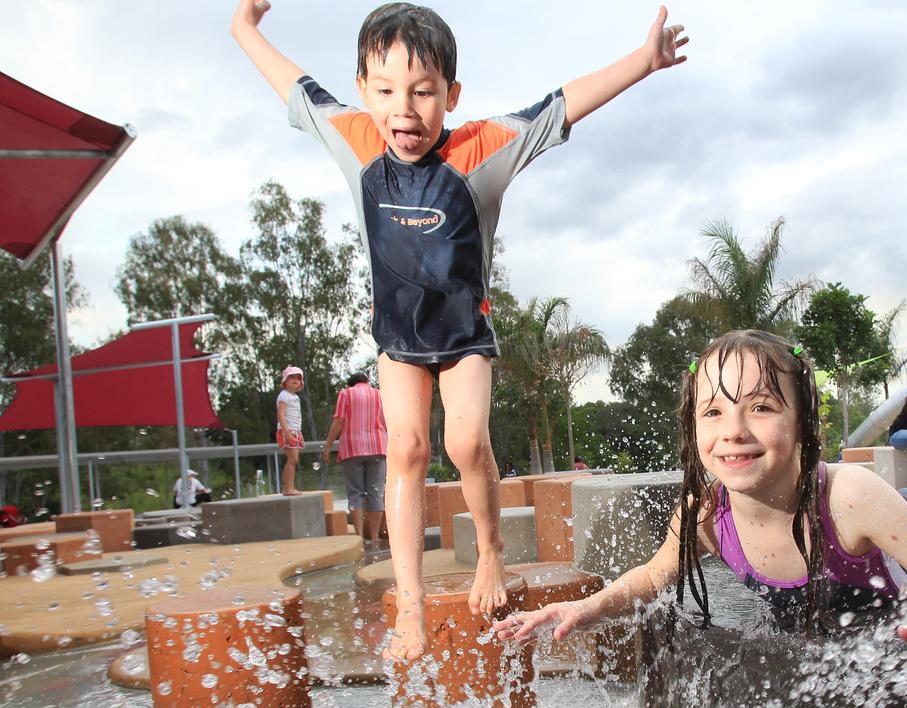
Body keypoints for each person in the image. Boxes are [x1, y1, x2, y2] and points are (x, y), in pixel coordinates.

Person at [231, 0, 689, 660]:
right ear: (365, 91)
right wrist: (245, 27)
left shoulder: (482, 149)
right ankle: (411, 609)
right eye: (386, 91)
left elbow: (560, 105)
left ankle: (491, 552)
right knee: (408, 449)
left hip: (464, 338)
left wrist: (645, 61)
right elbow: (294, 84)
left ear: (451, 94)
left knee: (467, 441)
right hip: (397, 342)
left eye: (423, 92)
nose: (404, 109)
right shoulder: (356, 138)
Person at [495, 330, 907, 684]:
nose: (733, 431)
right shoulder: (704, 512)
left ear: (803, 421)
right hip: (850, 577)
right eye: (712, 412)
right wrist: (584, 609)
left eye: (760, 406)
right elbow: (654, 576)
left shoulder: (851, 496)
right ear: (693, 427)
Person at [322, 372, 389, 541]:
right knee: (376, 492)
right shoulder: (380, 394)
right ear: (366, 382)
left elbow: (338, 421)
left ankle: (359, 536)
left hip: (352, 448)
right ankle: (374, 537)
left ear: (351, 384)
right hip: (378, 447)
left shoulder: (346, 394)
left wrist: (328, 446)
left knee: (355, 493)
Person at [276, 365, 306, 496]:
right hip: (288, 430)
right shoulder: (284, 396)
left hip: (295, 429)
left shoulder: (295, 397)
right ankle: (288, 488)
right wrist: (287, 432)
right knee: (292, 459)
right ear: (285, 381)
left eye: (298, 379)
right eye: (291, 378)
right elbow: (281, 414)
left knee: (294, 459)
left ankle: (290, 486)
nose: (295, 381)